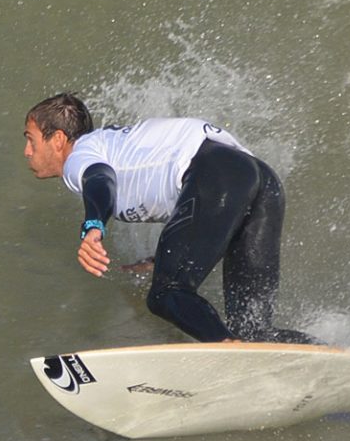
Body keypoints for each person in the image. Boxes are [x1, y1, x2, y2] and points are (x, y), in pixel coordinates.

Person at [21, 92, 316, 344]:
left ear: (58, 139)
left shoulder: (79, 157)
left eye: (31, 140)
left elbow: (101, 179)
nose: (27, 152)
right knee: (254, 332)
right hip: (258, 179)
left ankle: (231, 353)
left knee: (165, 294)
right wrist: (159, 259)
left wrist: (93, 226)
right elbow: (204, 219)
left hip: (218, 173)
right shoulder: (116, 146)